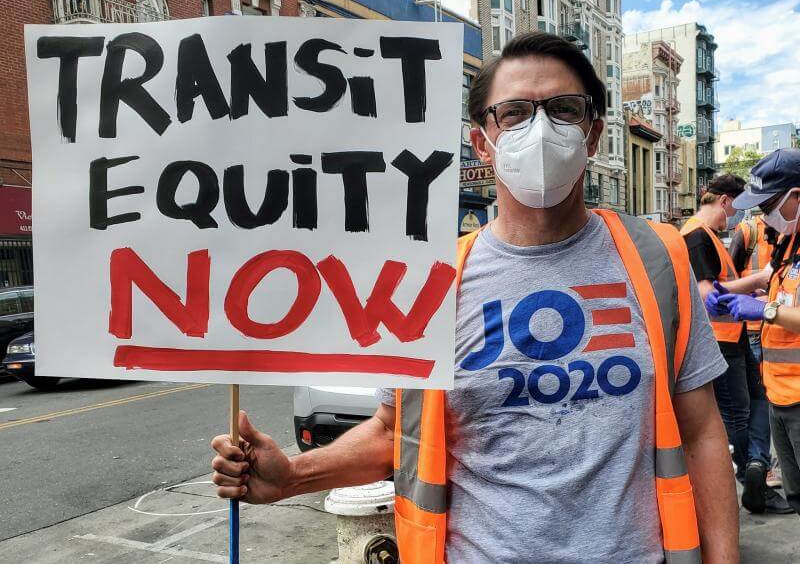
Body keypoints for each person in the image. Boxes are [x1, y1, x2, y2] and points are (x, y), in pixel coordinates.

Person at [211, 32, 739, 562]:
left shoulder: (657, 258)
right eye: (513, 113)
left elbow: (702, 434)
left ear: (593, 133)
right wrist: (293, 476)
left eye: (563, 109)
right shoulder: (433, 281)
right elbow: (394, 434)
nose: (540, 128)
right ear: (482, 142)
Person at [680, 176, 792, 514]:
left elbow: (721, 286)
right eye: (736, 208)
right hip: (719, 341)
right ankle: (751, 471)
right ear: (726, 201)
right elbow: (704, 293)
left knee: (757, 400)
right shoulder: (696, 236)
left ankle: (756, 464)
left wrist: (749, 294)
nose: (737, 217)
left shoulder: (710, 237)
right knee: (738, 414)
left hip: (734, 336)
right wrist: (757, 282)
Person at [718, 147, 800, 516]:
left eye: (769, 205)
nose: (763, 215)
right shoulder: (792, 241)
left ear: (796, 196)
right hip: (781, 393)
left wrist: (765, 310)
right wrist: (735, 291)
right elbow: (776, 282)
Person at [729, 214, 784, 490]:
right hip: (753, 327)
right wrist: (736, 295)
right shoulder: (749, 230)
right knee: (761, 398)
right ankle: (763, 463)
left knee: (766, 399)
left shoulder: (789, 232)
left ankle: (763, 462)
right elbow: (734, 271)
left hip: (778, 324)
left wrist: (767, 306)